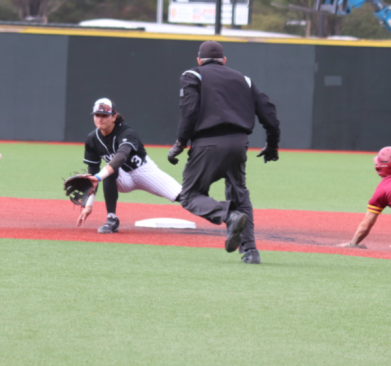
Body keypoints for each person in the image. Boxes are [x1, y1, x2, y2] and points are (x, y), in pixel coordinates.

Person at [167, 40, 281, 264]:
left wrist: (180, 143)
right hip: (239, 144)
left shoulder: (193, 75)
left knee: (190, 196)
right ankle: (251, 251)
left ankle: (229, 217)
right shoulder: (243, 79)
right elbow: (269, 112)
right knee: (239, 194)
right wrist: (272, 144)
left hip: (207, 144)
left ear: (199, 60)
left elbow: (189, 112)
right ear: (224, 61)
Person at [77, 98, 182, 233]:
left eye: (105, 115)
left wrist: (98, 177)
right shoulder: (92, 139)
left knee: (183, 196)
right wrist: (89, 205)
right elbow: (93, 174)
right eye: (97, 115)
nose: (100, 119)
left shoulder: (126, 132)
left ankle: (214, 210)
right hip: (123, 178)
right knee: (109, 170)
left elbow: (122, 156)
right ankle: (111, 218)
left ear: (114, 117)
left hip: (144, 171)